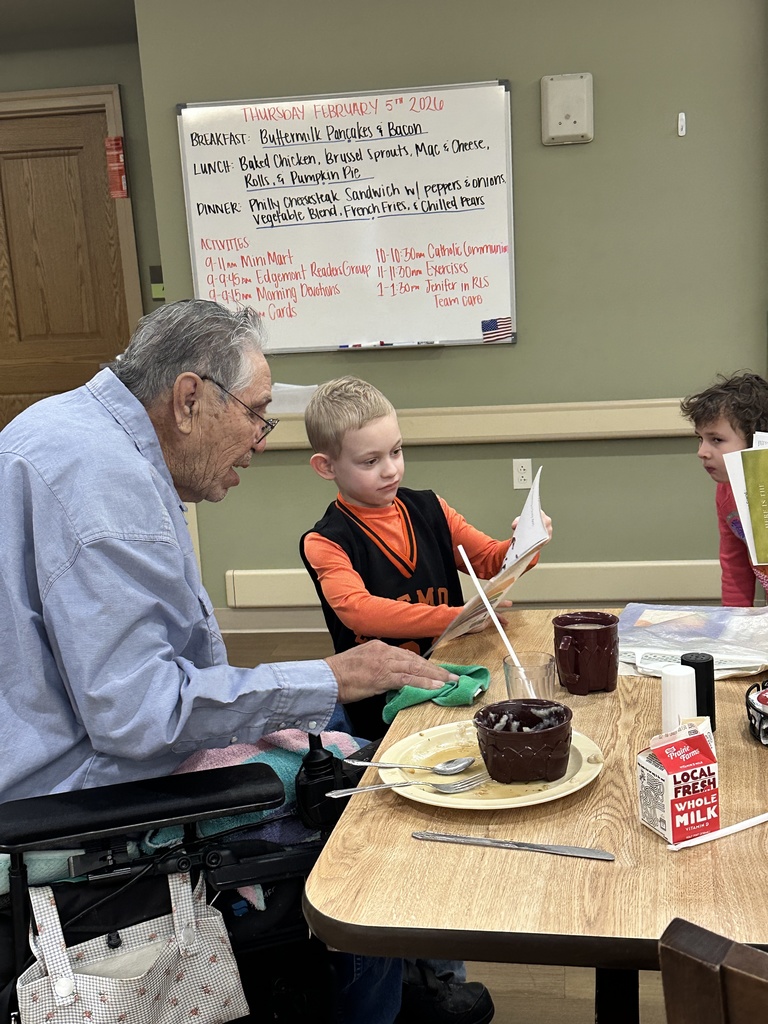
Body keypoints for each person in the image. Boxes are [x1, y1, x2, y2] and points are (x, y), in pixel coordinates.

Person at [0, 300, 465, 1024]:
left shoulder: (60, 428)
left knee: (339, 719)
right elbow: (141, 718)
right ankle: (382, 1001)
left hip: (46, 760)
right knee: (371, 798)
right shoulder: (106, 485)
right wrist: (329, 676)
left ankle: (397, 982)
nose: (260, 440)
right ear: (189, 398)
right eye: (256, 414)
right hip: (79, 809)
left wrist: (318, 686)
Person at [300, 375, 550, 740]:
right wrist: (457, 618)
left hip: (454, 676)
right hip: (382, 706)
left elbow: (491, 562)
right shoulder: (325, 540)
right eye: (370, 461)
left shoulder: (432, 509)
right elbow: (359, 610)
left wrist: (526, 543)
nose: (391, 469)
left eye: (396, 451)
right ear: (326, 467)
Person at [680, 371, 768, 606]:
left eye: (716, 440)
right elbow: (735, 567)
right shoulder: (726, 492)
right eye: (700, 439)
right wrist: (734, 624)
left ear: (757, 441)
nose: (702, 452)